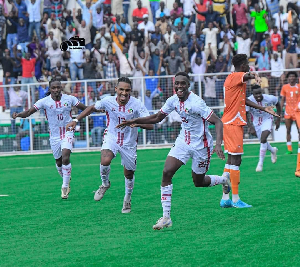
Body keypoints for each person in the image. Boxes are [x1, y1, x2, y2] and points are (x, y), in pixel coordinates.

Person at [116, 72, 232, 230]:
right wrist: (135, 121)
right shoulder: (172, 101)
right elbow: (157, 118)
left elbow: (218, 122)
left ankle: (224, 180)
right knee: (166, 172)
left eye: (183, 83)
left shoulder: (197, 102)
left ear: (188, 85)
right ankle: (166, 217)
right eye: (177, 83)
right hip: (183, 141)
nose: (179, 86)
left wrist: (218, 145)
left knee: (198, 182)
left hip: (201, 146)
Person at [66, 77, 153, 213]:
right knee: (105, 159)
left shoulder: (137, 104)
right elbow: (92, 108)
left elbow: (150, 125)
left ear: (130, 91)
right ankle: (105, 184)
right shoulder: (108, 101)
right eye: (121, 90)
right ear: (116, 89)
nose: (124, 93)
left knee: (128, 174)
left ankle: (127, 199)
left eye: (127, 90)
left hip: (128, 143)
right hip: (112, 137)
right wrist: (76, 120)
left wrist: (136, 122)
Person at [12, 78, 87, 199]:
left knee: (66, 156)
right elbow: (29, 112)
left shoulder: (70, 99)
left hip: (67, 132)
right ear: (50, 89)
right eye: (54, 88)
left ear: (61, 88)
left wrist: (96, 109)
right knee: (58, 162)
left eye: (58, 87)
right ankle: (66, 177)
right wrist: (18, 115)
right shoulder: (44, 101)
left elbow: (85, 108)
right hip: (54, 135)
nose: (56, 89)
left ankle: (65, 186)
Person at [221, 54, 279, 208]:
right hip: (233, 122)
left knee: (230, 160)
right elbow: (249, 75)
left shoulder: (234, 79)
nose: (249, 66)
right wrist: (255, 75)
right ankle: (235, 199)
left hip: (230, 122)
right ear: (242, 65)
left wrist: (263, 108)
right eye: (247, 63)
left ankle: (225, 198)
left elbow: (243, 100)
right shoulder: (236, 76)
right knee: (236, 160)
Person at [246, 85, 281, 172]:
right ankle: (273, 150)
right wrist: (250, 127)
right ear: (252, 94)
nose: (258, 95)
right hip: (256, 123)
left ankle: (260, 163)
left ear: (262, 92)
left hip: (267, 119)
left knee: (263, 138)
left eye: (259, 93)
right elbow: (245, 114)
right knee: (263, 141)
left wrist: (278, 119)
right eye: (256, 94)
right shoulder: (249, 100)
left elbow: (278, 104)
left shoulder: (269, 98)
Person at [280, 71, 300, 154]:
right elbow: (282, 100)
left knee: (299, 130)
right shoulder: (284, 87)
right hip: (288, 112)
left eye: (293, 76)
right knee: (288, 130)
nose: (291, 78)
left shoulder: (299, 87)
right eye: (290, 76)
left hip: (297, 111)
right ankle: (289, 149)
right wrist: (280, 112)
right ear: (288, 78)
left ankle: (299, 147)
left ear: (296, 78)